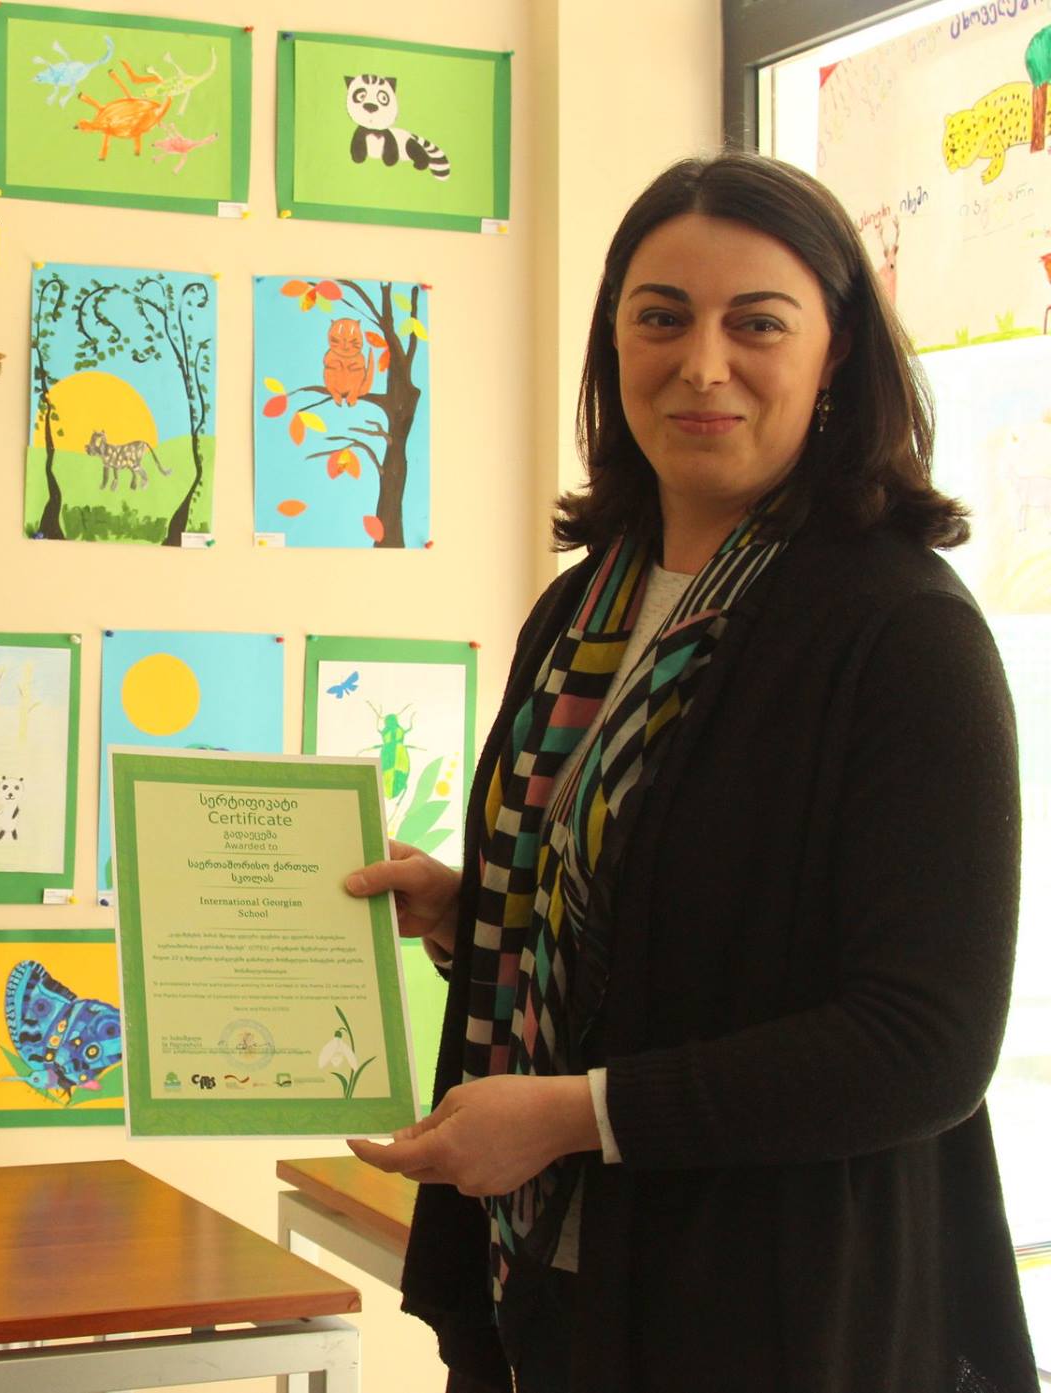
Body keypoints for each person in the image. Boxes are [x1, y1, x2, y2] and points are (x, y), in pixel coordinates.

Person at [343, 151, 1034, 1392]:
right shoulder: (579, 610)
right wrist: (475, 911)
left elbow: (923, 1042)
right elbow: (652, 918)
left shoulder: (902, 633)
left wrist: (578, 1114)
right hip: (543, 1283)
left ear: (834, 354)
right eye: (659, 317)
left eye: (755, 323)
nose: (700, 363)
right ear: (612, 342)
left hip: (772, 1309)